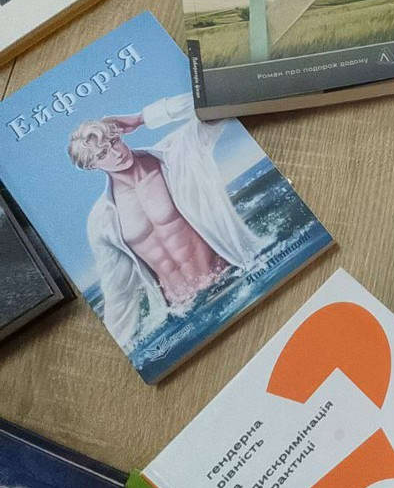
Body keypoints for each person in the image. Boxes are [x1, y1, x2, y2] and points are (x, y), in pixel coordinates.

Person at [68, 94, 265, 349]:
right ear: (92, 165)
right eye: (103, 153)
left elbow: (223, 100)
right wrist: (122, 348)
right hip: (183, 314)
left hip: (233, 279)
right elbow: (118, 293)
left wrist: (142, 118)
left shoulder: (177, 153)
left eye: (114, 141)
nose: (116, 153)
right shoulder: (102, 221)